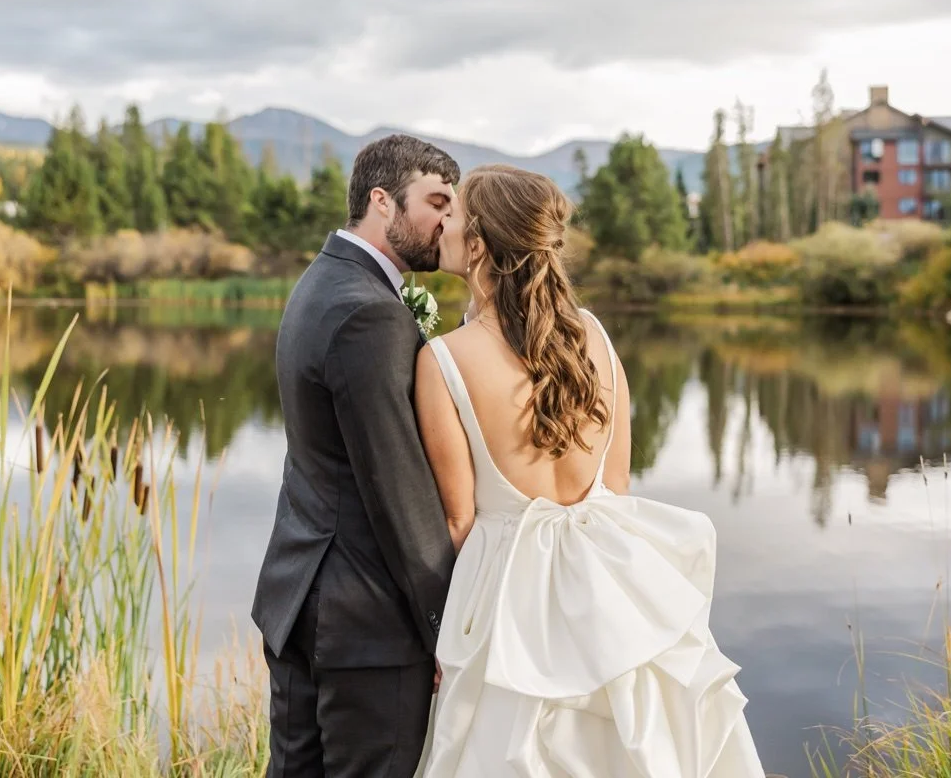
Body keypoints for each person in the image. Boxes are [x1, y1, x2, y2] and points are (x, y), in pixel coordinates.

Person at [413, 164, 766, 777]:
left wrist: (445, 633)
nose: (443, 223)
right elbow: (619, 485)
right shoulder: (594, 335)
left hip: (507, 598)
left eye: (457, 215)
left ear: (478, 245)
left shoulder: (442, 359)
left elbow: (459, 519)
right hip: (609, 580)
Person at [252, 134, 461, 777]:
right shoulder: (371, 314)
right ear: (382, 201)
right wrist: (441, 626)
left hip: (300, 599)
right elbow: (397, 490)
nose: (448, 221)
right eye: (436, 201)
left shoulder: (320, 284)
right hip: (366, 625)